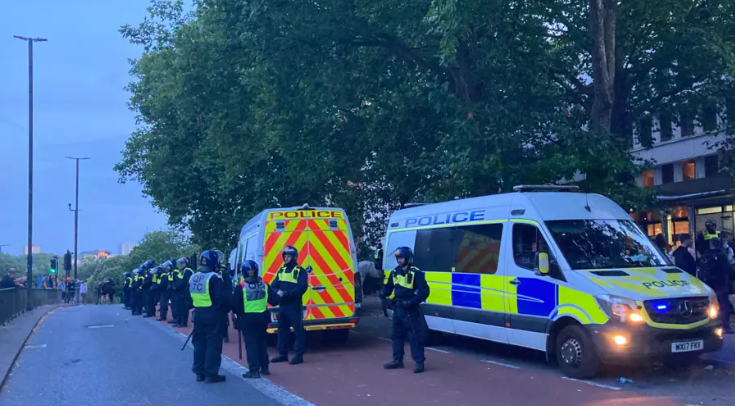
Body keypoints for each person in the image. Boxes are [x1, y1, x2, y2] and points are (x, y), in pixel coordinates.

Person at [380, 247, 430, 373]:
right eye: (398, 258)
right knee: (396, 335)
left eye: (401, 258)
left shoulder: (415, 272)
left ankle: (419, 362)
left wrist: (412, 301)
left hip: (410, 309)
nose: (399, 260)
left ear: (407, 258)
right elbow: (389, 286)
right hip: (398, 308)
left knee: (414, 336)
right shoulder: (395, 272)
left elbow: (424, 291)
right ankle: (397, 360)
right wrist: (383, 292)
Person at [231, 260, 280, 379]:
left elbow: (235, 306)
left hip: (248, 319)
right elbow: (275, 300)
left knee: (251, 344)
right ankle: (265, 368)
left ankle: (254, 370)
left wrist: (240, 313)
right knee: (262, 343)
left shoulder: (241, 286)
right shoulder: (264, 284)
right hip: (263, 317)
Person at [189, 250, 229, 383]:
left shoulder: (194, 277)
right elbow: (221, 298)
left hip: (198, 314)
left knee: (199, 343)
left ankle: (199, 372)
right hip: (213, 314)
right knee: (213, 344)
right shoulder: (214, 277)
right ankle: (211, 373)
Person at [270, 246, 309, 365]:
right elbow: (274, 285)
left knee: (298, 330)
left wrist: (288, 294)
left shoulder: (300, 271)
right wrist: (278, 292)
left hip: (294, 305)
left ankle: (299, 355)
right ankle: (282, 354)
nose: (286, 258)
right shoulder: (281, 270)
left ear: (294, 257)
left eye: (288, 256)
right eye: (285, 256)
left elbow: (302, 287)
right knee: (282, 330)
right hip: (283, 305)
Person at [699, 238, 733, 334]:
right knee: (723, 305)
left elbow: (701, 271)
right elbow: (727, 268)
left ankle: (709, 325)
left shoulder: (705, 256)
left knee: (709, 305)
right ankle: (725, 326)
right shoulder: (722, 255)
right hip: (721, 283)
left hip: (708, 284)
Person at [174, 257, 194, 327]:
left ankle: (183, 322)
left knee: (183, 308)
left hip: (185, 292)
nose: (181, 264)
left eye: (183, 263)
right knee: (179, 307)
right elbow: (179, 280)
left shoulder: (188, 270)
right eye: (181, 263)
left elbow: (185, 281)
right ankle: (179, 321)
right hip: (180, 291)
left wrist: (177, 287)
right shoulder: (183, 270)